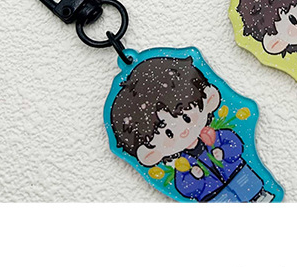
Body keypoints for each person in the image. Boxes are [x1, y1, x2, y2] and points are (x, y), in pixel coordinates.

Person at [109, 56, 274, 202]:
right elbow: (185, 188)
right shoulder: (182, 164)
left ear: (208, 99)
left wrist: (224, 152)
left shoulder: (215, 137)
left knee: (250, 186)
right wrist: (194, 177)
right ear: (151, 154)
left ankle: (259, 196)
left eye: (186, 118)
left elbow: (234, 143)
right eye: (169, 133)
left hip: (240, 175)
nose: (183, 131)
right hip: (216, 196)